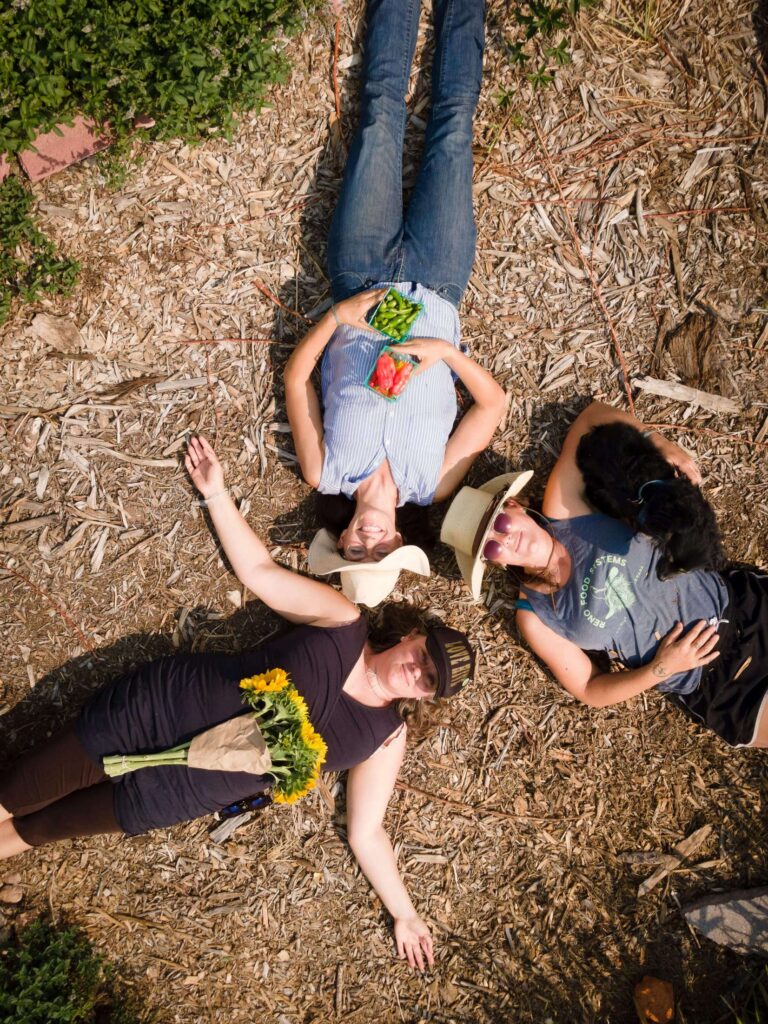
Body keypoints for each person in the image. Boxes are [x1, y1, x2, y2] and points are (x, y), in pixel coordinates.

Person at [0, 436, 475, 971]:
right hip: (154, 712)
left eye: (429, 681)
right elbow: (260, 574)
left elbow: (367, 831)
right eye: (425, 655)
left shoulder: (385, 737)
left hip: (176, 793)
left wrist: (405, 913)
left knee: (39, 830)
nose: (418, 671)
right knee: (18, 791)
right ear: (413, 635)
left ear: (426, 696)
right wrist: (217, 493)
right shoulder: (343, 622)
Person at [284, 0, 506, 604]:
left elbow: (298, 376)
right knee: (454, 128)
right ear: (398, 544)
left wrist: (339, 317)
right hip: (438, 278)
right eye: (380, 552)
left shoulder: (323, 470)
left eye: (355, 551)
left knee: (380, 114)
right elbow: (491, 407)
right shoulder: (429, 485)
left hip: (359, 273)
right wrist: (445, 352)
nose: (368, 542)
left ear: (341, 538)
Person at [440, 402, 768, 749]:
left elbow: (590, 418)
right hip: (714, 684)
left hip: (741, 607)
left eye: (501, 523)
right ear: (495, 563)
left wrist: (656, 441)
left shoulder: (564, 508)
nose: (506, 539)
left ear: (516, 507)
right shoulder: (536, 616)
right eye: (492, 548)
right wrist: (661, 668)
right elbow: (590, 689)